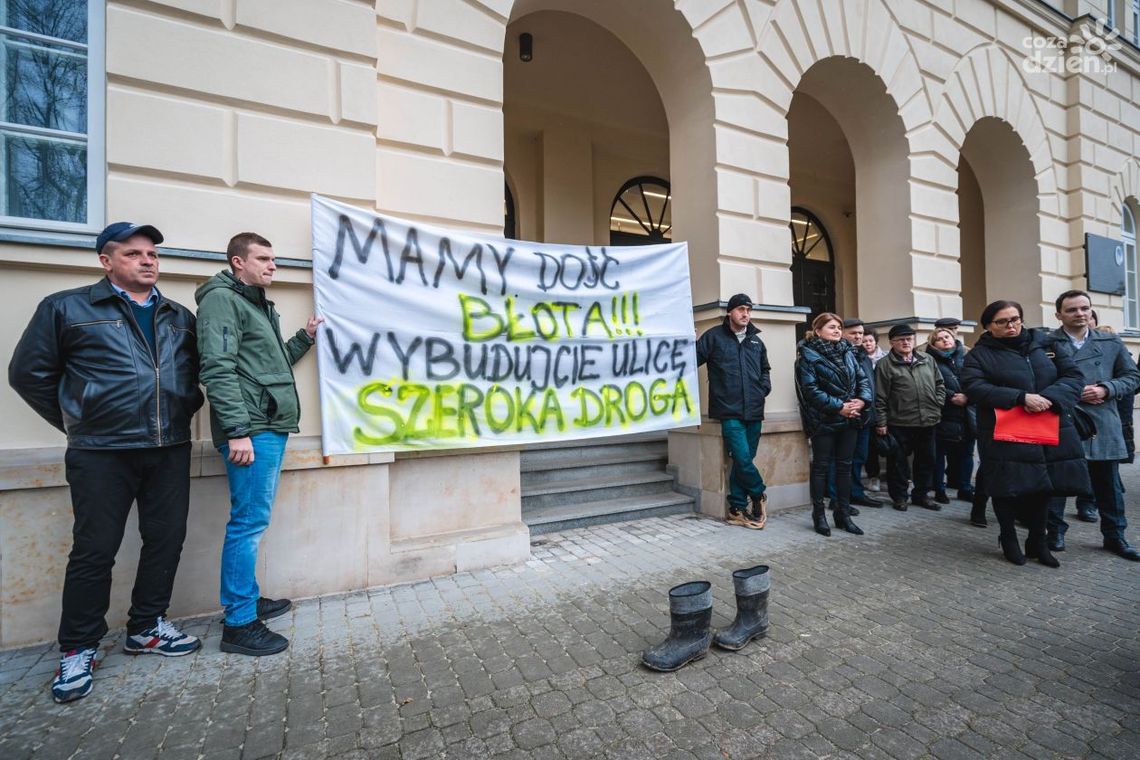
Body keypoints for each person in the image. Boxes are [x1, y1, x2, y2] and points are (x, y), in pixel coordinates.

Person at [8, 222, 204, 704]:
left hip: (168, 448)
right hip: (101, 452)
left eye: (153, 253)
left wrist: (181, 407)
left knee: (166, 539)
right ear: (106, 261)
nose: (148, 261)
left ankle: (146, 627)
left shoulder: (178, 316)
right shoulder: (66, 308)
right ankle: (78, 647)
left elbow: (194, 376)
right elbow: (28, 374)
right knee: (95, 549)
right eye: (134, 253)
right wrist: (83, 420)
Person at [196, 232, 324, 655]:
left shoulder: (256, 303)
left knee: (253, 519)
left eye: (274, 259)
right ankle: (239, 623)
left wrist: (304, 337)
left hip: (266, 425)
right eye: (264, 259)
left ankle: (246, 600)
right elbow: (217, 368)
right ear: (238, 262)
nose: (273, 266)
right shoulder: (222, 301)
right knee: (248, 523)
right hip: (253, 430)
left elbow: (270, 365)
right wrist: (237, 430)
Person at [961, 300, 1090, 567]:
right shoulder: (979, 354)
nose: (1011, 326)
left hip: (1047, 423)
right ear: (988, 326)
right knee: (1007, 486)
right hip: (1004, 429)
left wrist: (1048, 398)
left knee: (1044, 484)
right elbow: (974, 387)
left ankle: (1037, 540)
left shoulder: (1046, 345)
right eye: (1002, 322)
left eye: (1015, 319)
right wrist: (1020, 397)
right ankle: (1008, 537)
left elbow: (1074, 377)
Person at [1045, 291, 1140, 560]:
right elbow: (1036, 379)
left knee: (1108, 485)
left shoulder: (1110, 341)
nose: (1080, 314)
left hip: (1102, 422)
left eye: (1084, 308)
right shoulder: (1046, 344)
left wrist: (1106, 389)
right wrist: (1069, 392)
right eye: (1072, 309)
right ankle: (1055, 532)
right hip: (1063, 419)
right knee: (1058, 482)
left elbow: (1133, 377)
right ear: (1059, 315)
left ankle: (1115, 536)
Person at [696, 293, 772, 529]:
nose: (745, 314)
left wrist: (763, 389)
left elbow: (765, 369)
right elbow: (690, 360)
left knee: (745, 460)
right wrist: (687, 342)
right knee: (741, 456)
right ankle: (758, 494)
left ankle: (737, 508)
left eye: (748, 310)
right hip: (728, 411)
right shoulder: (714, 337)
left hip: (754, 410)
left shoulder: (757, 342)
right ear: (730, 312)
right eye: (741, 309)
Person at [795, 313, 872, 537]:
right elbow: (810, 390)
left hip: (850, 418)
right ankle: (819, 515)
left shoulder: (848, 352)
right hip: (823, 420)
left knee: (845, 467)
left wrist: (862, 400)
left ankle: (843, 514)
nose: (837, 331)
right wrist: (839, 406)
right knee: (821, 468)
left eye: (839, 327)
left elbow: (863, 379)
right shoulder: (807, 356)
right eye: (832, 327)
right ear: (818, 331)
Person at [875, 324, 945, 511]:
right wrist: (881, 421)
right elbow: (880, 396)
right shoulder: (884, 365)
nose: (906, 342)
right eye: (901, 339)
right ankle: (899, 497)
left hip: (928, 420)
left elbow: (940, 384)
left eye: (909, 339)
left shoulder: (927, 359)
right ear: (891, 342)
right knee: (898, 463)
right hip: (899, 422)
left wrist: (938, 402)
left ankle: (922, 495)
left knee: (927, 460)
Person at [827, 319, 885, 509]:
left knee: (859, 457)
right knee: (840, 460)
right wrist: (849, 405)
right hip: (844, 415)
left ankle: (856, 493)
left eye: (860, 333)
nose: (859, 336)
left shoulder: (864, 357)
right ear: (842, 333)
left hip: (864, 416)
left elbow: (868, 386)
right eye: (854, 333)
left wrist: (865, 403)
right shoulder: (836, 354)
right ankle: (837, 499)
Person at [926, 327, 971, 504]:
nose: (945, 340)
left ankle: (965, 487)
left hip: (967, 413)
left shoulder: (967, 357)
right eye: (939, 339)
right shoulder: (930, 361)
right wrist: (952, 396)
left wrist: (968, 396)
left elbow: (976, 379)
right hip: (944, 414)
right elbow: (931, 385)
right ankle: (939, 489)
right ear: (933, 343)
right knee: (939, 455)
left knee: (966, 454)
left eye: (947, 336)